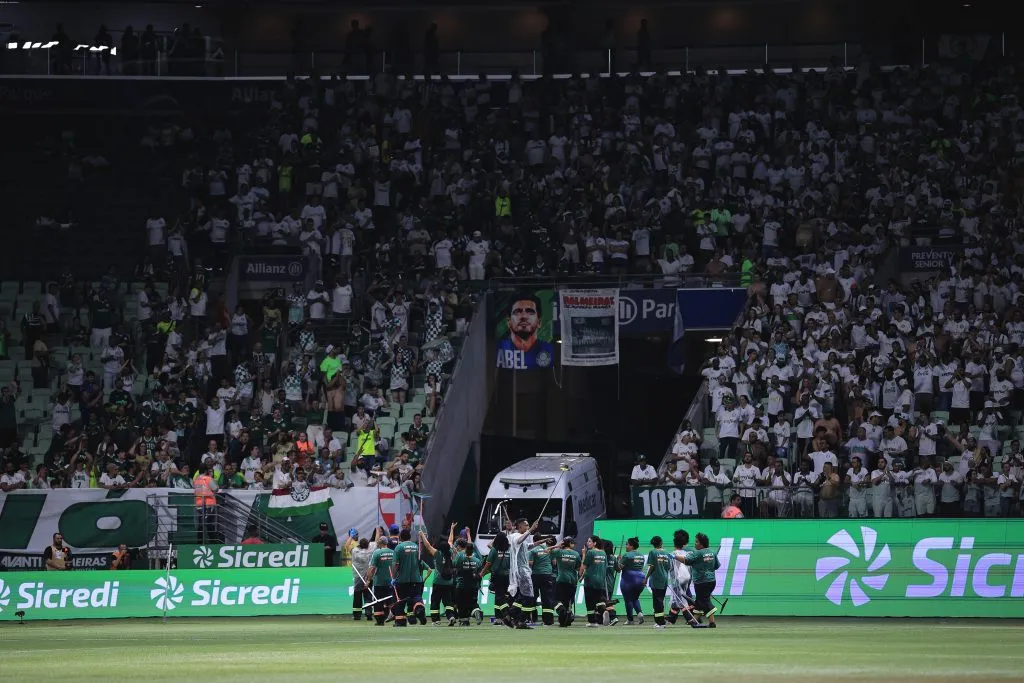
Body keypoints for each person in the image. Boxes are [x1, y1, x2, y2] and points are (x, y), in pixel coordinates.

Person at [495, 293, 555, 370]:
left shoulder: (550, 350)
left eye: (530, 311)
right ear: (508, 322)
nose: (524, 316)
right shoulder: (499, 347)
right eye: (518, 311)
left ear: (539, 322)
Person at [680, 532, 720, 628]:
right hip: (711, 581)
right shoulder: (712, 552)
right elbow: (716, 566)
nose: (695, 544)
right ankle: (694, 620)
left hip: (701, 582)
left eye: (696, 542)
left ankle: (712, 622)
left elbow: (687, 560)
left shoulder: (697, 553)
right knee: (699, 602)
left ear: (701, 544)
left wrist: (675, 557)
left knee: (705, 601)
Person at [505, 517, 539, 629]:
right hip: (522, 570)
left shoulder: (523, 538)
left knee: (523, 596)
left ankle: (510, 616)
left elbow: (528, 546)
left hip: (524, 570)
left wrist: (542, 541)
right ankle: (520, 620)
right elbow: (519, 541)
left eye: (529, 525)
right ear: (520, 526)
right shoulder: (516, 536)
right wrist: (531, 531)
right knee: (529, 596)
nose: (528, 527)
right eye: (526, 525)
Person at [419, 527, 457, 626]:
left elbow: (427, 546)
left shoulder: (437, 554)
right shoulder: (452, 552)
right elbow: (450, 540)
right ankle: (451, 616)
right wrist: (452, 529)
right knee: (448, 601)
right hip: (449, 582)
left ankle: (436, 621)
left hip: (438, 582)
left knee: (435, 601)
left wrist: (422, 535)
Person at [391, 528, 427, 627]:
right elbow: (420, 562)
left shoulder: (398, 548)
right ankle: (419, 609)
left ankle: (400, 621)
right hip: (416, 578)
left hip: (402, 579)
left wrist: (393, 578)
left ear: (400, 537)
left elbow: (395, 565)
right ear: (410, 537)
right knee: (416, 597)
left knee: (399, 600)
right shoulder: (416, 547)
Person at [480, 532, 511, 624]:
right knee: (504, 596)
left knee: (499, 597)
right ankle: (500, 618)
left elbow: (488, 564)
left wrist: (481, 573)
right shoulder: (509, 549)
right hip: (508, 576)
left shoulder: (494, 549)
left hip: (497, 576)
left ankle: (505, 614)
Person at [365, 537, 396, 625]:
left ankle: (380, 621)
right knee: (391, 601)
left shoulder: (377, 553)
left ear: (379, 543)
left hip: (379, 582)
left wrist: (368, 580)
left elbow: (372, 568)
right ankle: (395, 615)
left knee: (378, 601)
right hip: (391, 581)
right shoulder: (393, 552)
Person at [551, 536, 581, 628]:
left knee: (555, 600)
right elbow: (578, 567)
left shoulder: (559, 551)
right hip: (572, 580)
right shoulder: (576, 554)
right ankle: (565, 620)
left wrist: (558, 545)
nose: (574, 545)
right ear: (569, 543)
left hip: (561, 579)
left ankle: (562, 611)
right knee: (568, 601)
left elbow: (548, 551)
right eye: (572, 543)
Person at [579, 535, 608, 627]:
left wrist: (584, 554)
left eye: (590, 541)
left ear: (595, 543)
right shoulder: (603, 553)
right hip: (601, 580)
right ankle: (604, 611)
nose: (588, 543)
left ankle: (592, 622)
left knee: (590, 601)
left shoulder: (590, 552)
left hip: (590, 579)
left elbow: (584, 567)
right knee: (598, 598)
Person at [453, 538, 484, 626]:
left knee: (461, 603)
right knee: (472, 603)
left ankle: (464, 621)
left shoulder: (460, 556)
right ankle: (477, 611)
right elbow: (479, 572)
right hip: (473, 586)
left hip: (461, 585)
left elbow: (454, 564)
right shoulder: (477, 560)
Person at [528, 535, 557, 627]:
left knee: (533, 597)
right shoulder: (548, 549)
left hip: (535, 576)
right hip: (548, 575)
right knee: (547, 598)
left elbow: (530, 564)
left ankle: (533, 619)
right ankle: (548, 621)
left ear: (534, 541)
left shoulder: (532, 551)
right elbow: (554, 563)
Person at [644, 535, 672, 629]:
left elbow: (651, 566)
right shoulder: (666, 553)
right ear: (661, 543)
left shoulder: (652, 552)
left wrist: (646, 578)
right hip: (664, 579)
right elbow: (668, 567)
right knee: (660, 600)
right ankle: (660, 621)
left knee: (657, 602)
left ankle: (660, 622)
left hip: (656, 579)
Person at [618, 537, 646, 625]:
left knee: (628, 600)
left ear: (631, 546)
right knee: (635, 598)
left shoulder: (627, 555)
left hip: (629, 578)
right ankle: (639, 613)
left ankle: (630, 620)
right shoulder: (641, 555)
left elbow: (619, 568)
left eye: (627, 544)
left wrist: (618, 561)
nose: (626, 546)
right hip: (641, 578)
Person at [350, 537, 374, 620]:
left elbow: (348, 547)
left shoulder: (355, 551)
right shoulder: (371, 552)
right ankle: (369, 614)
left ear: (360, 545)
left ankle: (357, 615)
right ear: (367, 545)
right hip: (368, 577)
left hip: (358, 577)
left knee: (357, 597)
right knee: (368, 596)